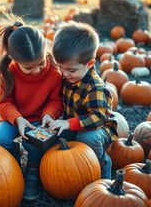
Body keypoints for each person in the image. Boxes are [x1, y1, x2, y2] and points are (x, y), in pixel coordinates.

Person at [0, 16, 63, 201]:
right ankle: (13, 154)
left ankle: (33, 170)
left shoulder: (54, 72)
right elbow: (2, 104)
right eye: (29, 68)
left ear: (46, 52)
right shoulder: (9, 72)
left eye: (40, 64)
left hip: (39, 119)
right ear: (14, 60)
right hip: (15, 119)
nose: (36, 70)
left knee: (35, 143)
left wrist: (48, 115)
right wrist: (18, 119)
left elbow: (55, 101)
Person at [46, 21, 118, 179]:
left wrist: (68, 124)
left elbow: (98, 118)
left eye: (71, 70)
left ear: (90, 63)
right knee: (52, 137)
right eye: (61, 67)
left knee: (87, 138)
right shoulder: (69, 77)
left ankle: (103, 165)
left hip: (98, 129)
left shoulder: (96, 88)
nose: (64, 74)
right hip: (72, 124)